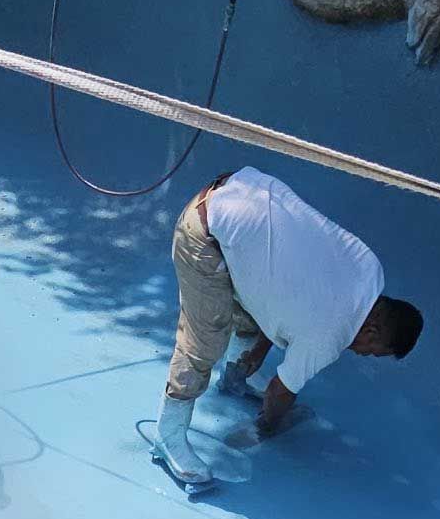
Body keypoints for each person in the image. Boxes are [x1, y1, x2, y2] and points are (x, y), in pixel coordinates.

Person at [157, 167, 424, 490]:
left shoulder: (368, 269)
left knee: (251, 310)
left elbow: (287, 298)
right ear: (373, 332)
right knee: (204, 342)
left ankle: (235, 376)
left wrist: (258, 350)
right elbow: (280, 391)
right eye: (372, 352)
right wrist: (270, 423)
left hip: (241, 188)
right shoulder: (332, 336)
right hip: (203, 235)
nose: (363, 354)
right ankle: (169, 435)